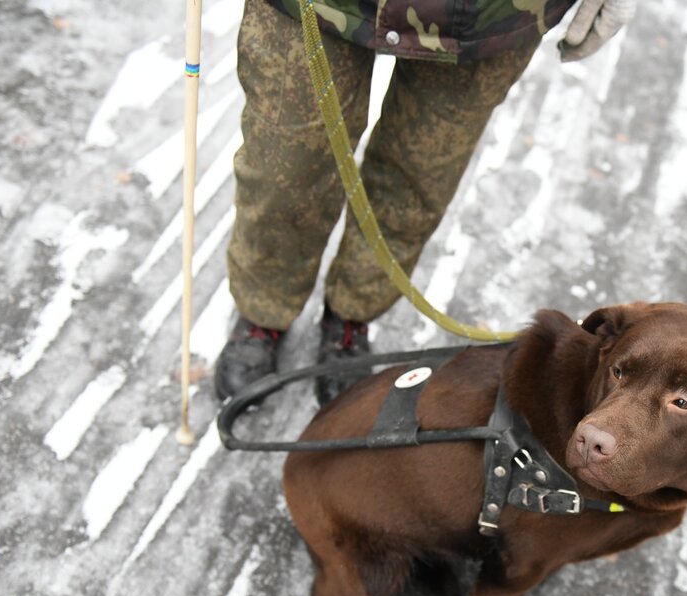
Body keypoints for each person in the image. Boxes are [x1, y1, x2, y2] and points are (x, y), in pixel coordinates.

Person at [214, 0, 636, 405]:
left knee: (418, 177)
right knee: (286, 168)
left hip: (489, 14)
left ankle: (351, 313)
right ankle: (263, 310)